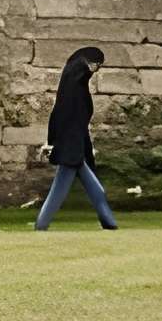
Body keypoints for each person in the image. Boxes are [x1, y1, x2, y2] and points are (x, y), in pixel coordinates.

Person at [34, 46, 119, 230]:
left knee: (94, 190)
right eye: (96, 64)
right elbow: (65, 118)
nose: (96, 68)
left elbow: (63, 116)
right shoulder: (74, 88)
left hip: (75, 147)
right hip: (71, 148)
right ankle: (41, 224)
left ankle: (109, 222)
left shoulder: (73, 86)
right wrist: (55, 142)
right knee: (60, 192)